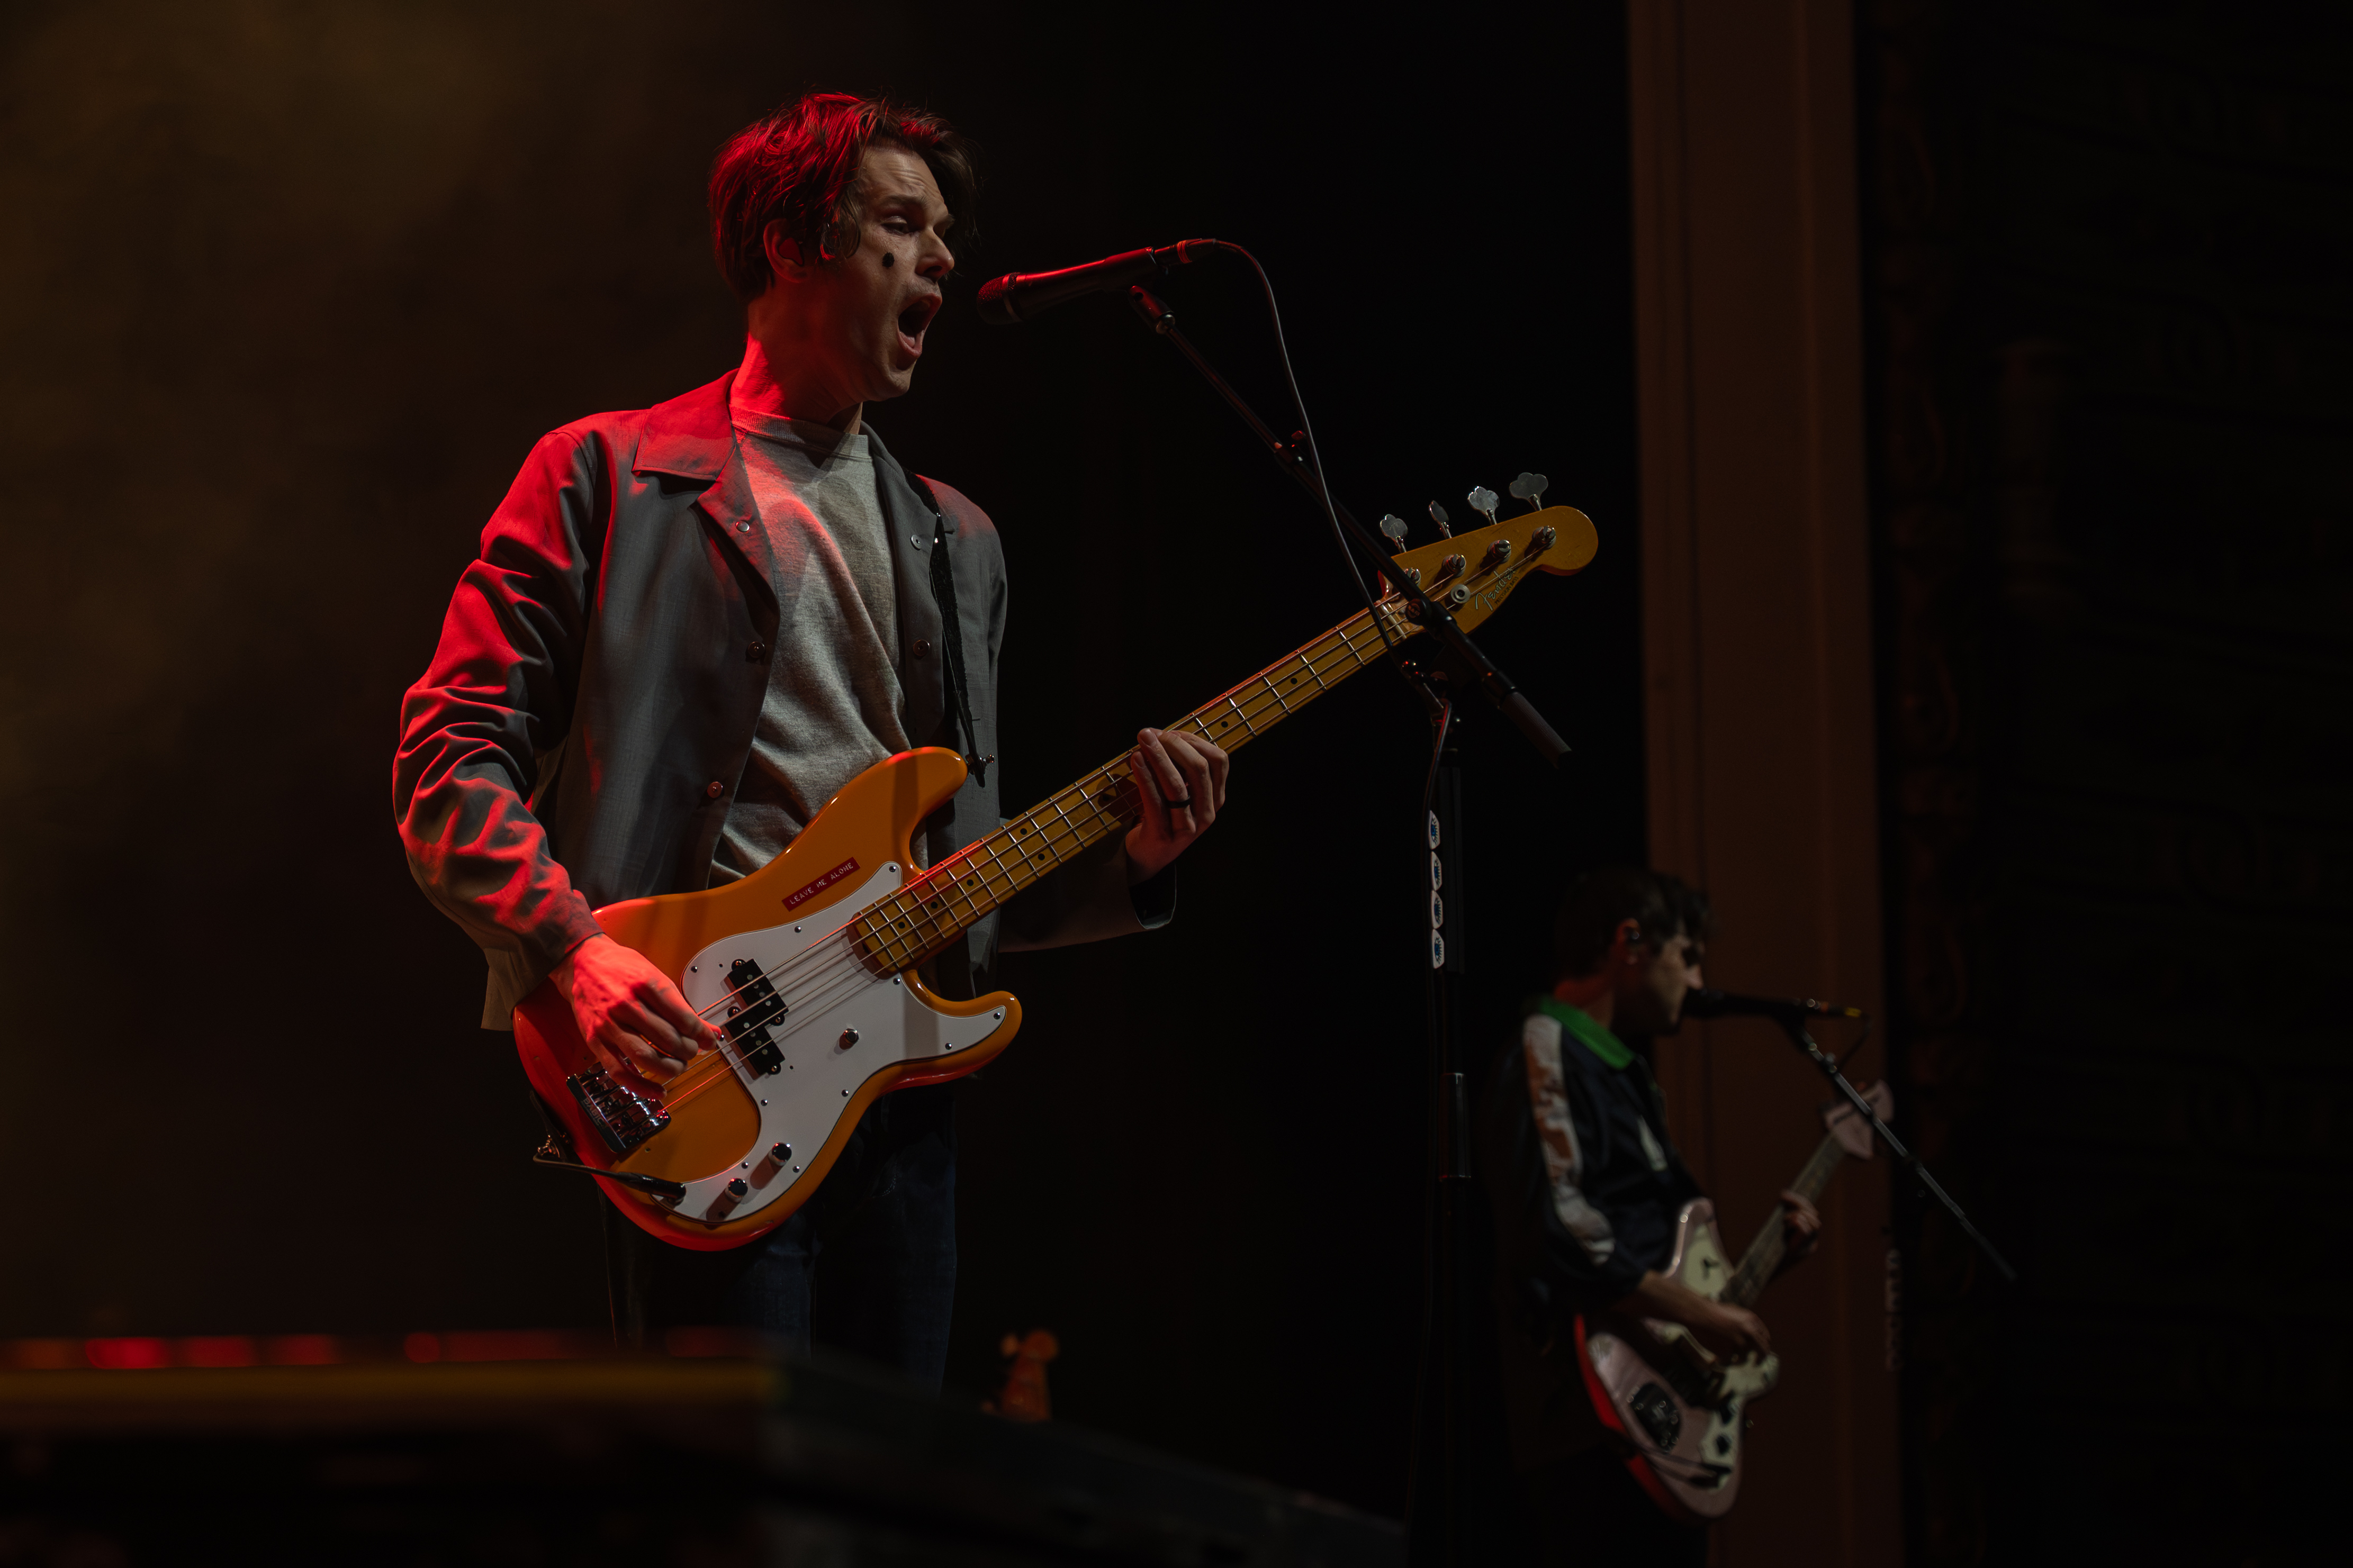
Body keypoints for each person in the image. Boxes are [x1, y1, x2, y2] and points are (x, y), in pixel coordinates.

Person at [393, 93, 1230, 1388]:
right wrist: (572, 951)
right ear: (793, 243)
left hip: (901, 1095)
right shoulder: (605, 474)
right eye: (902, 223)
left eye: (945, 232)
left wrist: (1134, 862)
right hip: (694, 1068)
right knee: (725, 1479)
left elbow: (962, 872)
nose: (942, 257)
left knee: (886, 1480)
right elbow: (450, 757)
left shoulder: (961, 539)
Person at [1479, 868, 1822, 1564]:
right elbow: (1566, 1237)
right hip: (1587, 1420)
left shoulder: (1623, 1073)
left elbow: (1651, 1257)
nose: (1696, 983)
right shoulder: (1547, 1047)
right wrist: (1704, 1317)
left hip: (1651, 1412)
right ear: (1629, 941)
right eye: (1687, 956)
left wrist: (1760, 1269)